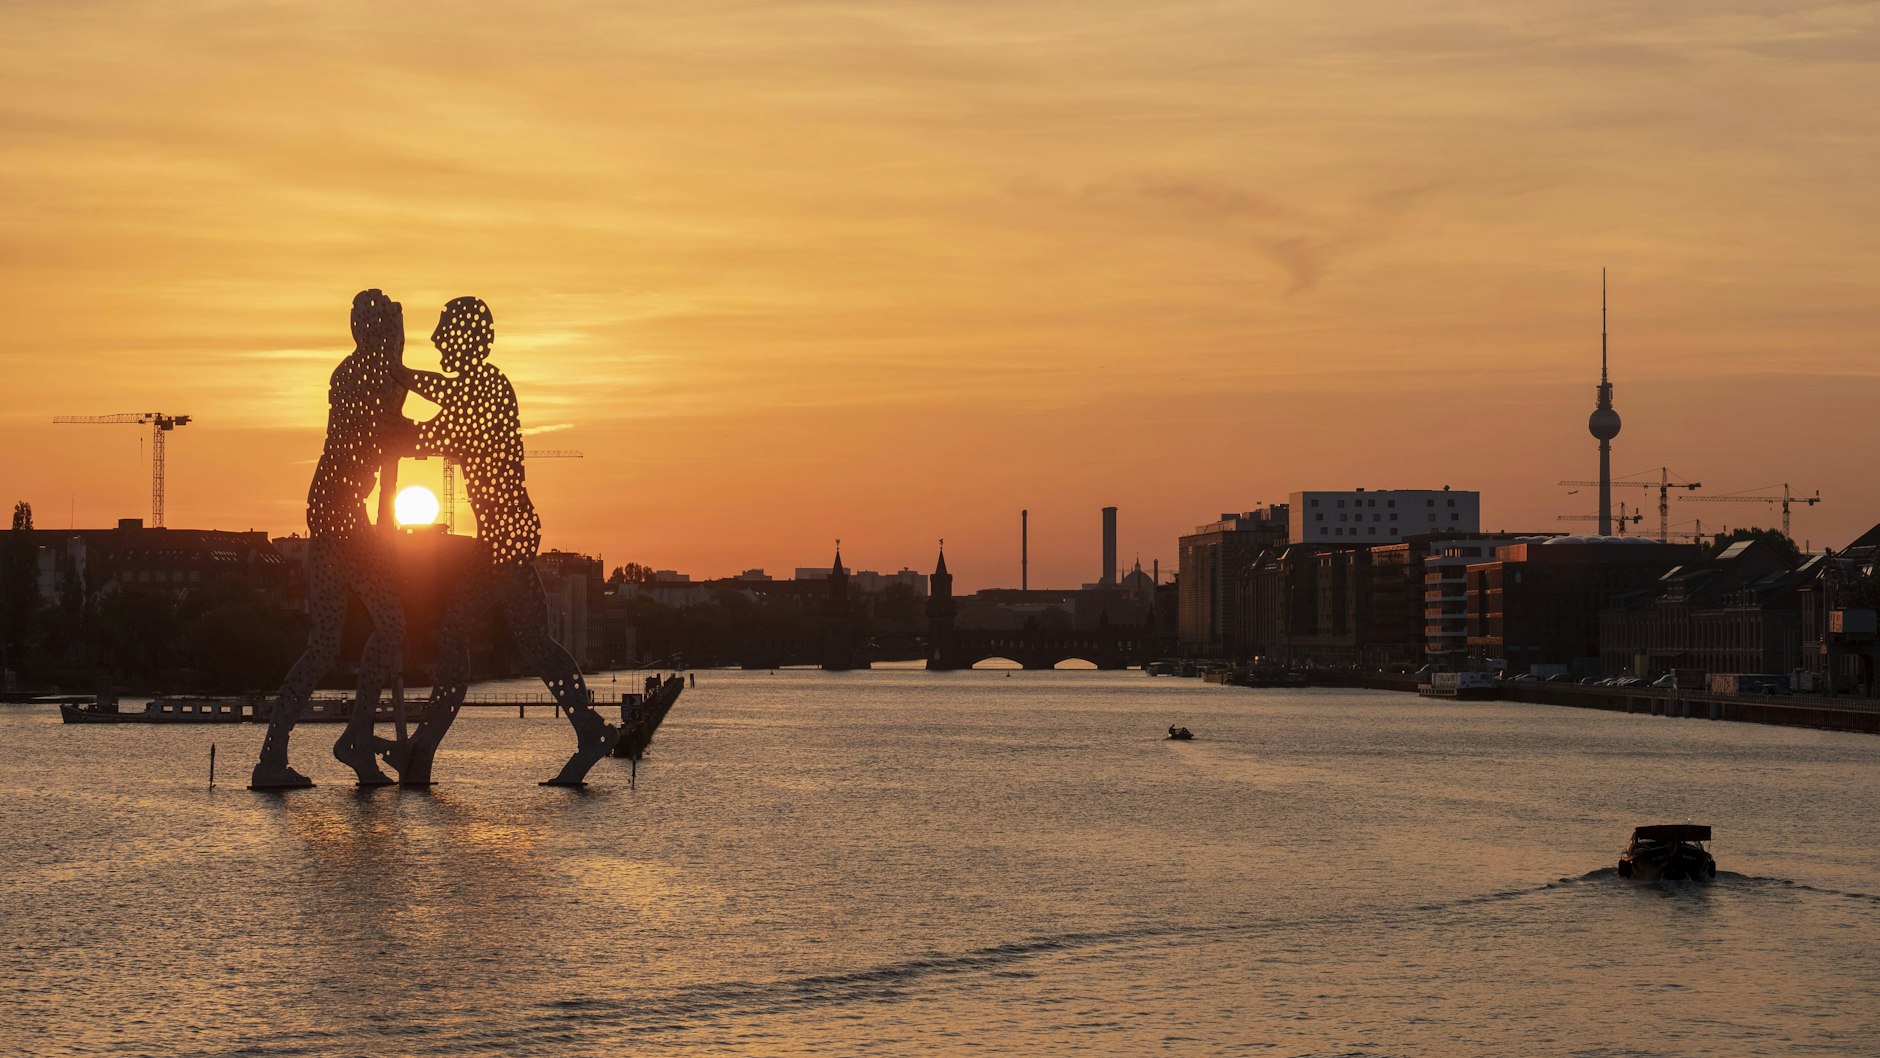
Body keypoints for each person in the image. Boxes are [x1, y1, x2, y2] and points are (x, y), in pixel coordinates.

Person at [392, 296, 618, 785]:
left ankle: (422, 752)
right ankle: (589, 730)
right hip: (507, 532)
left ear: (467, 339)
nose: (435, 341)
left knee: (456, 634)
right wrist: (404, 374)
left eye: (443, 333)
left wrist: (393, 416)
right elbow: (445, 393)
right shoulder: (480, 386)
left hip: (503, 536)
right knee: (536, 642)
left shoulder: (486, 389)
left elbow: (434, 431)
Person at [251, 290, 412, 789]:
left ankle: (278, 754)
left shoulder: (361, 374)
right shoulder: (366, 378)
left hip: (335, 514)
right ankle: (354, 742)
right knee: (389, 624)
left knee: (326, 644)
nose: (391, 338)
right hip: (340, 517)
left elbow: (388, 451)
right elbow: (389, 442)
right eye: (388, 329)